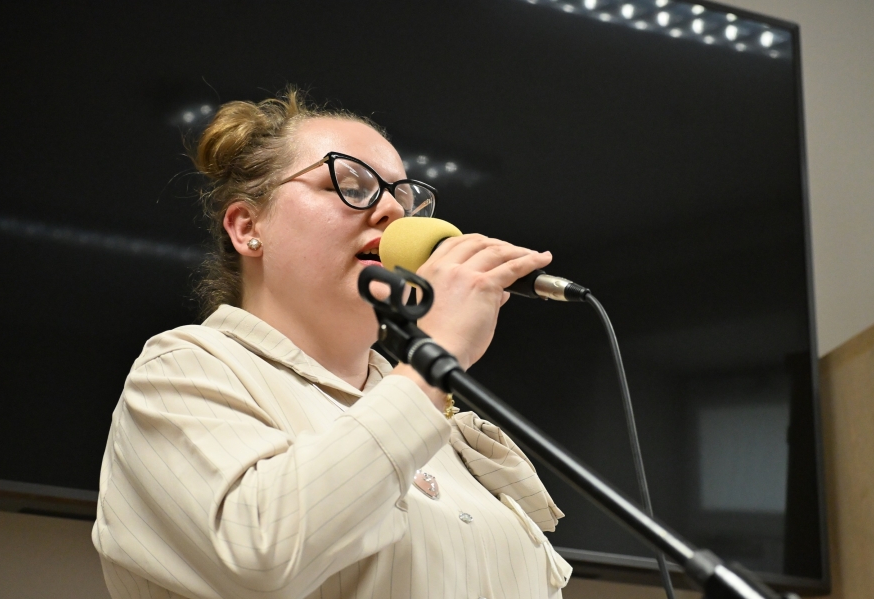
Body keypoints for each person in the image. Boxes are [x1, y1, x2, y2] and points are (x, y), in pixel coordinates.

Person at [92, 90, 571, 599]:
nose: (393, 210)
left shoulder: (433, 417)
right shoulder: (182, 370)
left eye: (404, 198)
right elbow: (262, 553)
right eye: (350, 186)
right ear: (248, 226)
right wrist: (436, 355)